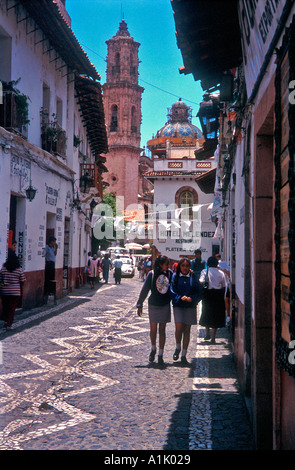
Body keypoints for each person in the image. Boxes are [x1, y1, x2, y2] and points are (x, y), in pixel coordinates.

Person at [136, 255, 172, 365]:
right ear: (161, 264)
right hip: (154, 305)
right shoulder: (152, 274)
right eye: (166, 264)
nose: (168, 266)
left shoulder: (170, 274)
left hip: (165, 304)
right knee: (153, 330)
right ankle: (153, 349)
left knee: (162, 330)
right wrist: (139, 304)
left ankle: (160, 354)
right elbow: (145, 289)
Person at [170, 258, 202, 365]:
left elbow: (199, 291)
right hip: (178, 305)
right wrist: (179, 297)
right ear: (179, 266)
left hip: (190, 306)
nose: (185, 268)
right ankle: (178, 347)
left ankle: (184, 355)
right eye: (183, 265)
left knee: (187, 330)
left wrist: (192, 298)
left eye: (187, 265)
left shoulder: (193, 277)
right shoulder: (175, 276)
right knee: (179, 327)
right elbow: (172, 290)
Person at [199, 256, 227, 344]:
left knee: (206, 313)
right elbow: (224, 285)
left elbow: (201, 281)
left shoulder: (204, 271)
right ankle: (213, 337)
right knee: (215, 315)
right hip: (218, 295)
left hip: (207, 295)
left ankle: (207, 333)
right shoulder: (221, 273)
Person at [0, 250, 25, 330]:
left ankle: (5, 321)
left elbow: (0, 279)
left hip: (4, 291)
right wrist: (21, 290)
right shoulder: (19, 269)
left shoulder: (3, 268)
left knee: (6, 306)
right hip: (15, 292)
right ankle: (9, 324)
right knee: (12, 308)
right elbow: (23, 280)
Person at [216, 253, 231, 325]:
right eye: (216, 257)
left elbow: (230, 274)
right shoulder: (215, 267)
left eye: (218, 257)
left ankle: (228, 315)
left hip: (226, 284)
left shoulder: (224, 265)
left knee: (226, 299)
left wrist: (223, 270)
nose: (217, 258)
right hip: (220, 285)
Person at [44, 236, 58, 302]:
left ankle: (51, 292)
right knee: (48, 278)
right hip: (48, 263)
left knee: (52, 279)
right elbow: (44, 255)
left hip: (52, 263)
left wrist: (56, 248)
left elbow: (55, 254)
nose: (55, 243)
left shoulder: (52, 247)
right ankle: (47, 292)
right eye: (54, 241)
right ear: (51, 241)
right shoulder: (47, 247)